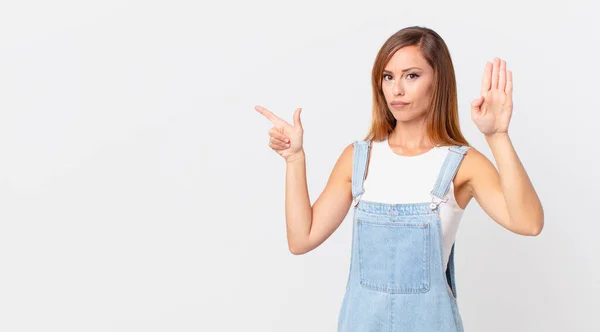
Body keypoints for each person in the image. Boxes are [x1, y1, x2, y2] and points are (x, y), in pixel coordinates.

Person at [255, 26, 544, 332]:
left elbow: (529, 223)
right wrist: (295, 159)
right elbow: (301, 239)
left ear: (438, 81)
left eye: (412, 75)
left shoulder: (461, 164)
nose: (397, 90)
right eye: (388, 76)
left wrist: (497, 136)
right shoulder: (358, 158)